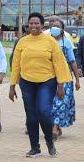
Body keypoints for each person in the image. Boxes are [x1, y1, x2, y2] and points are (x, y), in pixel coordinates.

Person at [9, 12, 72, 158]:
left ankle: (50, 142)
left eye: (36, 23)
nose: (33, 26)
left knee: (43, 112)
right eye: (31, 23)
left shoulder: (50, 41)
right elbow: (16, 65)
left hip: (47, 82)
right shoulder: (22, 42)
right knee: (31, 116)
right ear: (27, 25)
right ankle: (35, 148)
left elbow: (59, 63)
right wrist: (12, 86)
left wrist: (61, 85)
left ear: (42, 25)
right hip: (27, 82)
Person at [50, 19, 80, 141]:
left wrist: (77, 80)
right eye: (52, 26)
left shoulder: (66, 43)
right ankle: (56, 126)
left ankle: (54, 128)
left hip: (65, 77)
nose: (54, 28)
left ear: (62, 29)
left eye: (57, 26)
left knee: (61, 102)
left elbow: (72, 61)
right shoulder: (47, 41)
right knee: (52, 102)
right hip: (49, 76)